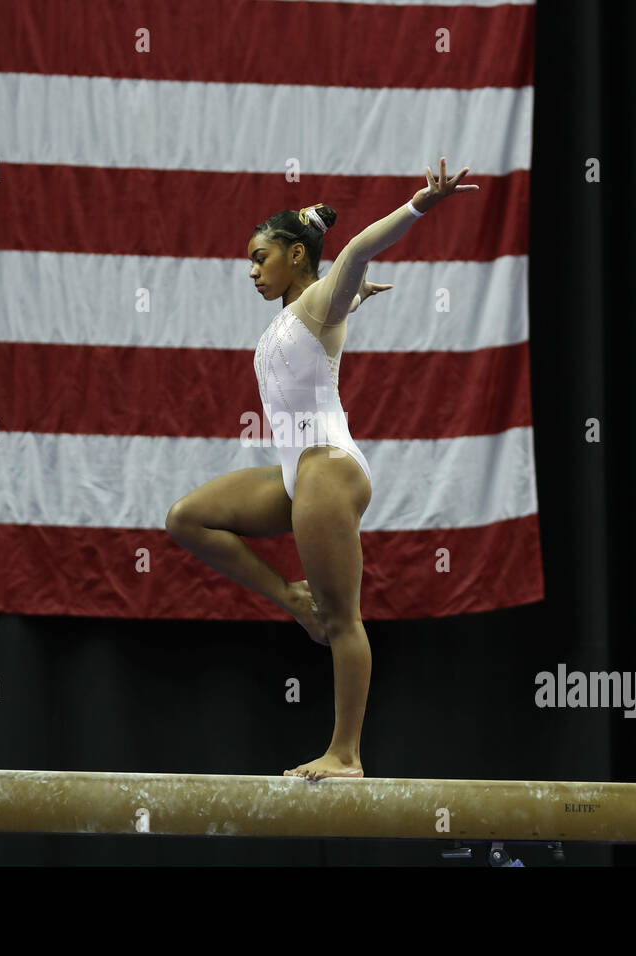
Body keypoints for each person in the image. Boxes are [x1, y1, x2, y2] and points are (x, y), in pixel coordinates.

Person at [166, 158, 479, 779]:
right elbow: (322, 328)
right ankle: (291, 599)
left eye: (261, 256)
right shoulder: (298, 314)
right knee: (187, 519)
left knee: (344, 619)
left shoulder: (314, 300)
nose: (251, 270)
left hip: (328, 468)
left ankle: (346, 753)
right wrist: (354, 298)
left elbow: (360, 249)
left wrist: (420, 205)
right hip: (295, 473)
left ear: (299, 257)